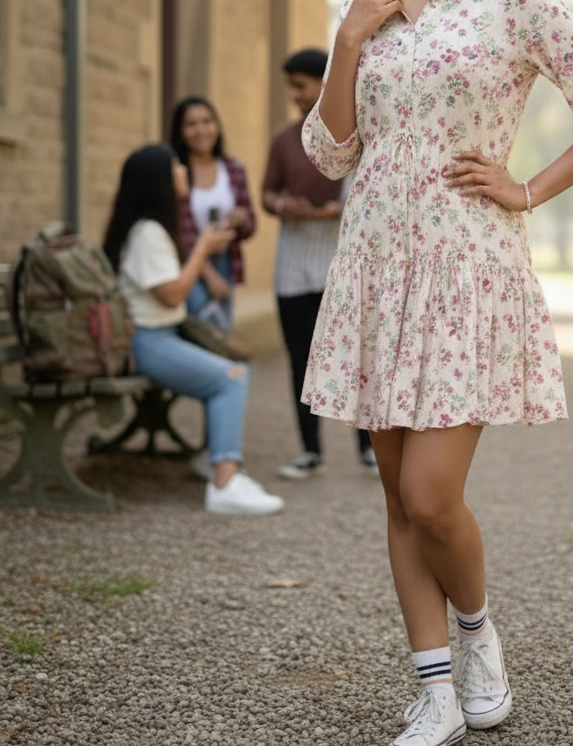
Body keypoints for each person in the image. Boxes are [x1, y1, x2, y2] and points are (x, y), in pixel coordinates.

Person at [300, 0, 573, 746]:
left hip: (464, 271)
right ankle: (434, 695)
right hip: (376, 264)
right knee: (393, 495)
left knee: (431, 494)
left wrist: (527, 186)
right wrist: (347, 38)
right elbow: (331, 154)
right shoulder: (370, 5)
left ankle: (478, 629)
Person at [104, 144, 284, 516]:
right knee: (232, 377)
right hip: (148, 342)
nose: (183, 170)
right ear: (159, 179)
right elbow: (172, 295)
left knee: (231, 367)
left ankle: (217, 459)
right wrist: (202, 249)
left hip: (161, 336)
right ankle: (224, 482)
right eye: (175, 167)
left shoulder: (156, 228)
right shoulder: (149, 232)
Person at [262, 49, 377, 479]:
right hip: (293, 264)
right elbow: (267, 194)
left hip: (342, 258)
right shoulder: (283, 139)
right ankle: (310, 451)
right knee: (299, 358)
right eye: (290, 87)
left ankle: (368, 449)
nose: (294, 95)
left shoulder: (357, 133)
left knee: (357, 357)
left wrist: (337, 211)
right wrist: (283, 205)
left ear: (323, 84)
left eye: (300, 86)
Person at [169, 96, 256, 333]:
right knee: (200, 331)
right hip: (186, 263)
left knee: (221, 334)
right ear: (180, 131)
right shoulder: (176, 171)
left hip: (225, 260)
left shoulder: (233, 168)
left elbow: (251, 227)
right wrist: (207, 273)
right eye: (191, 124)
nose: (201, 130)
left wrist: (240, 219)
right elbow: (177, 230)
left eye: (207, 121)